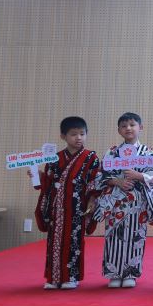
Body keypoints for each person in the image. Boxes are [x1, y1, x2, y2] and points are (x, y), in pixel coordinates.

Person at [32, 116, 101, 290]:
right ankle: (53, 277)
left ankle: (71, 277)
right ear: (63, 136)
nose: (79, 138)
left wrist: (92, 200)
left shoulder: (91, 157)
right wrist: (38, 177)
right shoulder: (54, 158)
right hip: (57, 207)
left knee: (74, 241)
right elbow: (48, 183)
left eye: (82, 134)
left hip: (77, 207)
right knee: (54, 241)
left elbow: (95, 181)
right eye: (73, 134)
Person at [94, 112, 153, 288]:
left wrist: (139, 175)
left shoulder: (148, 152)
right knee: (114, 235)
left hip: (138, 201)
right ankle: (114, 273)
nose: (128, 128)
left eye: (132, 125)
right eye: (124, 126)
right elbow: (101, 175)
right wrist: (117, 181)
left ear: (140, 127)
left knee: (136, 235)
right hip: (116, 200)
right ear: (119, 130)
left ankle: (131, 273)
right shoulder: (112, 152)